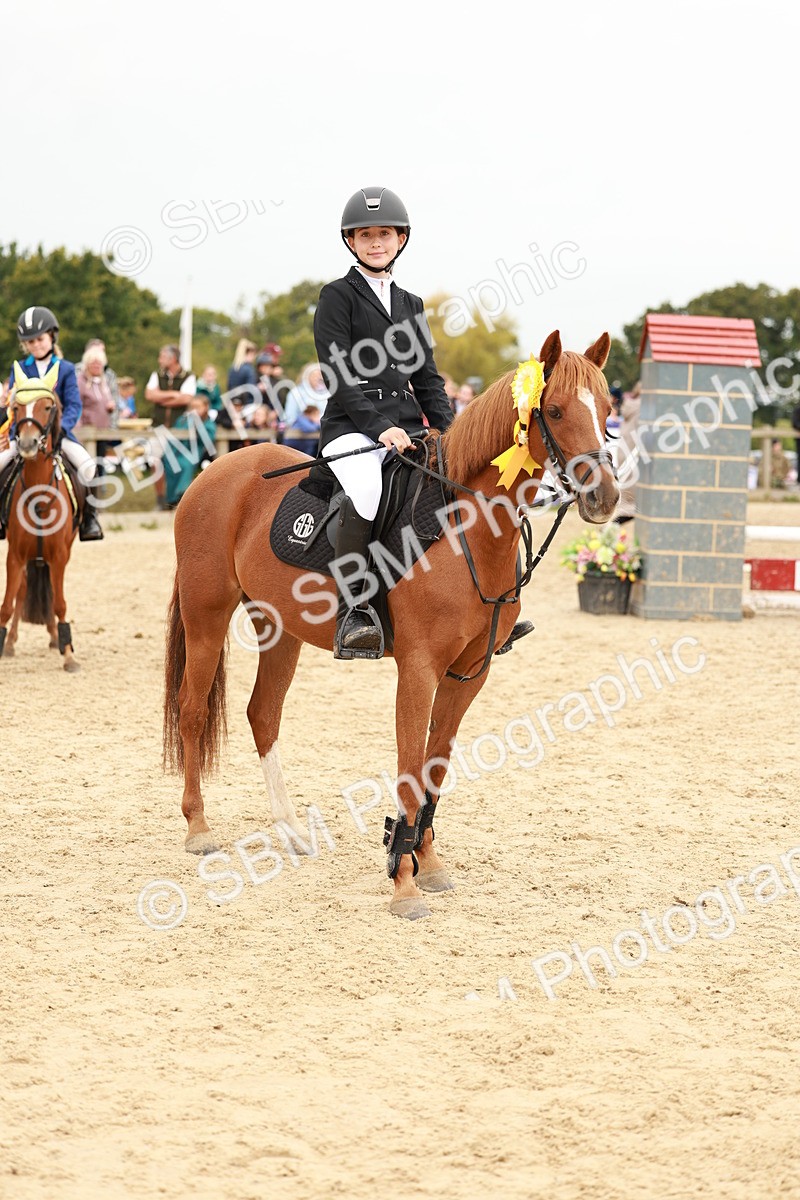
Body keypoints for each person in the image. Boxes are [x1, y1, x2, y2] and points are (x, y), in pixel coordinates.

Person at [313, 186, 456, 659]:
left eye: (385, 234)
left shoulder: (411, 305)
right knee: (369, 488)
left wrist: (454, 435)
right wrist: (379, 428)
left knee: (457, 482)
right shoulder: (338, 297)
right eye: (366, 235)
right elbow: (339, 375)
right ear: (352, 242)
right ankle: (354, 611)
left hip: (404, 430)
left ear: (401, 239)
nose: (376, 242)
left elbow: (428, 379)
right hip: (350, 428)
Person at [0, 306, 103, 540]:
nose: (36, 345)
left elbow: (74, 405)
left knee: (88, 466)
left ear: (51, 336)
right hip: (24, 435)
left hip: (58, 434)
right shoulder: (20, 368)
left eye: (40, 339)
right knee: (0, 463)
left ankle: (89, 519)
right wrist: (15, 430)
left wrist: (60, 430)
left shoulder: (65, 369)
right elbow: (13, 404)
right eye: (31, 342)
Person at [144, 345, 196, 509]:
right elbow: (149, 395)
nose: (159, 360)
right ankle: (160, 499)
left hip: (178, 427)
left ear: (172, 359)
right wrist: (173, 394)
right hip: (158, 426)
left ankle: (174, 500)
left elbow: (186, 399)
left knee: (176, 463)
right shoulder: (157, 374)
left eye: (162, 356)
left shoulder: (189, 376)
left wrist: (161, 397)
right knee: (155, 462)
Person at [163, 394, 217, 507]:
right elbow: (176, 434)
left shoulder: (208, 423)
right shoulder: (183, 420)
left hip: (195, 452)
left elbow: (207, 439)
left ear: (206, 407)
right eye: (193, 407)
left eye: (198, 407)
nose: (195, 410)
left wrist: (197, 425)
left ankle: (182, 495)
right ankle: (171, 499)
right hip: (177, 450)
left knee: (186, 464)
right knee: (169, 462)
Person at [615, 380, 641, 523]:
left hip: (623, 452)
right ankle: (612, 529)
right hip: (634, 454)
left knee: (627, 497)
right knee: (631, 505)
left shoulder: (629, 405)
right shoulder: (644, 407)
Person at [282, 362, 330, 432]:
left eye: (320, 375)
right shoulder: (295, 393)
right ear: (307, 376)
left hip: (323, 427)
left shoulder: (327, 393)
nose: (318, 378)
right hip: (301, 431)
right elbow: (290, 417)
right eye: (314, 375)